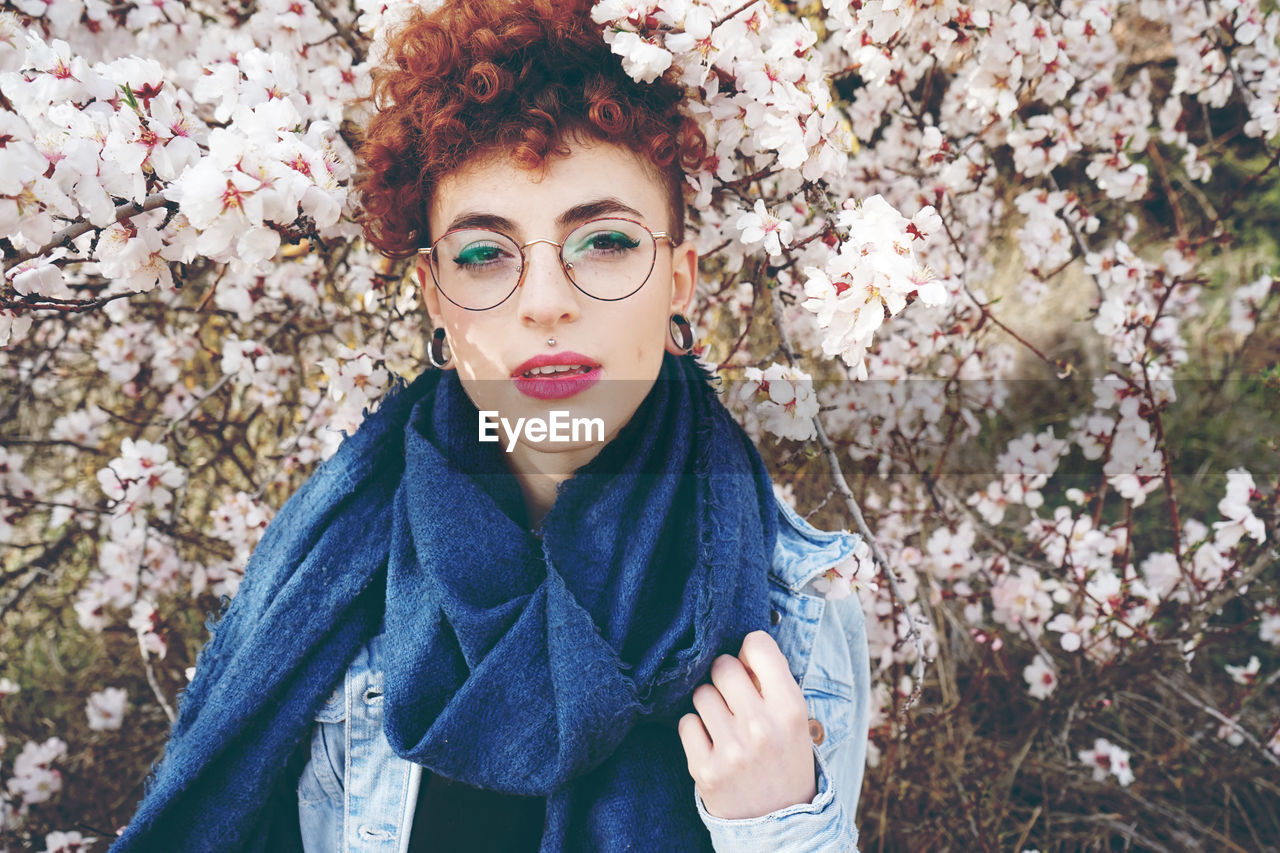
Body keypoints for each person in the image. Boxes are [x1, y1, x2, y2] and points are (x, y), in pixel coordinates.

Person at [111, 1, 871, 850]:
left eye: (606, 243)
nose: (546, 302)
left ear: (680, 280)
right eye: (483, 254)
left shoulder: (794, 601)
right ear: (437, 295)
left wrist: (774, 827)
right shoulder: (332, 573)